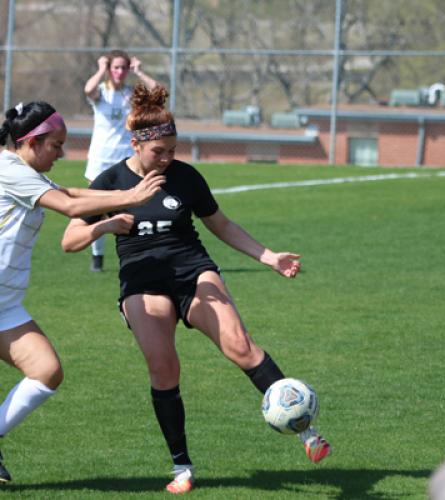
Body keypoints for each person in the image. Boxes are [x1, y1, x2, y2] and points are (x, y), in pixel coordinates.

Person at [62, 84, 331, 494]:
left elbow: (220, 225)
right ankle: (181, 466)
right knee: (164, 367)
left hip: (192, 270)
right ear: (136, 144)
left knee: (241, 346)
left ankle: (306, 433)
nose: (168, 158)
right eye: (160, 152)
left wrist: (268, 256)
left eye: (173, 149)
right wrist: (107, 223)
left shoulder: (185, 177)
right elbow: (69, 240)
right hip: (142, 282)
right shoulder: (111, 181)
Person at [0, 100, 165, 483]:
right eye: (56, 145)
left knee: (47, 371)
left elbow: (72, 192)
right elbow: (68, 206)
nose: (62, 153)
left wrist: (123, 203)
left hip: (5, 305)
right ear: (32, 141)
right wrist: (131, 197)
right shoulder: (10, 170)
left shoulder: (24, 172)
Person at [84, 50, 158, 272]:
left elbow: (156, 92)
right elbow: (88, 90)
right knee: (96, 210)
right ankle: (97, 257)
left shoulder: (130, 95)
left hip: (124, 160)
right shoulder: (101, 93)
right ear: (109, 69)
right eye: (115, 67)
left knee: (135, 208)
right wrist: (100, 69)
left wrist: (139, 71)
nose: (119, 72)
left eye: (123, 68)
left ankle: (137, 255)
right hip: (99, 160)